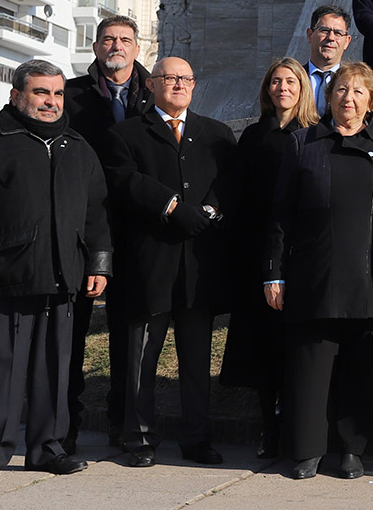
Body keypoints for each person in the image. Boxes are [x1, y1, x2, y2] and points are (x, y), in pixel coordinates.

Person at [0, 59, 109, 484]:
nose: (50, 102)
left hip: (65, 274)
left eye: (56, 94)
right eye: (40, 93)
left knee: (55, 370)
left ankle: (48, 448)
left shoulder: (79, 146)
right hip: (5, 275)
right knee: (1, 370)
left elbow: (97, 213)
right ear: (16, 95)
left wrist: (99, 263)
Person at [262, 63, 373, 480]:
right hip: (313, 276)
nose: (348, 98)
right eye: (341, 90)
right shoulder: (303, 144)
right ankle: (306, 450)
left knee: (361, 370)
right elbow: (279, 216)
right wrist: (273, 273)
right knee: (310, 369)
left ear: (372, 101)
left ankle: (351, 450)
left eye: (359, 92)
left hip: (370, 279)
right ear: (329, 96)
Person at [99, 57, 238, 468]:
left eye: (186, 79)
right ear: (153, 84)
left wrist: (209, 211)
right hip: (149, 263)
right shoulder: (125, 133)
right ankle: (138, 437)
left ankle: (196, 438)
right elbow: (124, 181)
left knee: (195, 359)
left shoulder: (217, 133)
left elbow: (231, 183)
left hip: (199, 264)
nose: (179, 84)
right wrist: (173, 206)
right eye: (170, 78)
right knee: (142, 355)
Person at [60, 14, 152, 454]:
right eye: (109, 39)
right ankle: (65, 427)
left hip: (138, 233)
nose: (117, 46)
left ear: (139, 48)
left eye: (126, 40)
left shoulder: (157, 91)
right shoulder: (71, 96)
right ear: (96, 47)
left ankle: (124, 424)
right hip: (81, 229)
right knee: (71, 331)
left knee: (129, 333)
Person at [219, 58, 319, 460]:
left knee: (294, 344)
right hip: (255, 252)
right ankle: (269, 427)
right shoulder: (253, 136)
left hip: (299, 251)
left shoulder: (313, 135)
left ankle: (296, 425)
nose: (283, 88)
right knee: (261, 343)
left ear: (302, 88)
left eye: (291, 81)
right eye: (275, 81)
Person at [300, 6, 351, 115]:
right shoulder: (293, 79)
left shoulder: (355, 83)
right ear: (310, 35)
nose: (331, 38)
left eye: (338, 33)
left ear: (347, 41)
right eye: (324, 30)